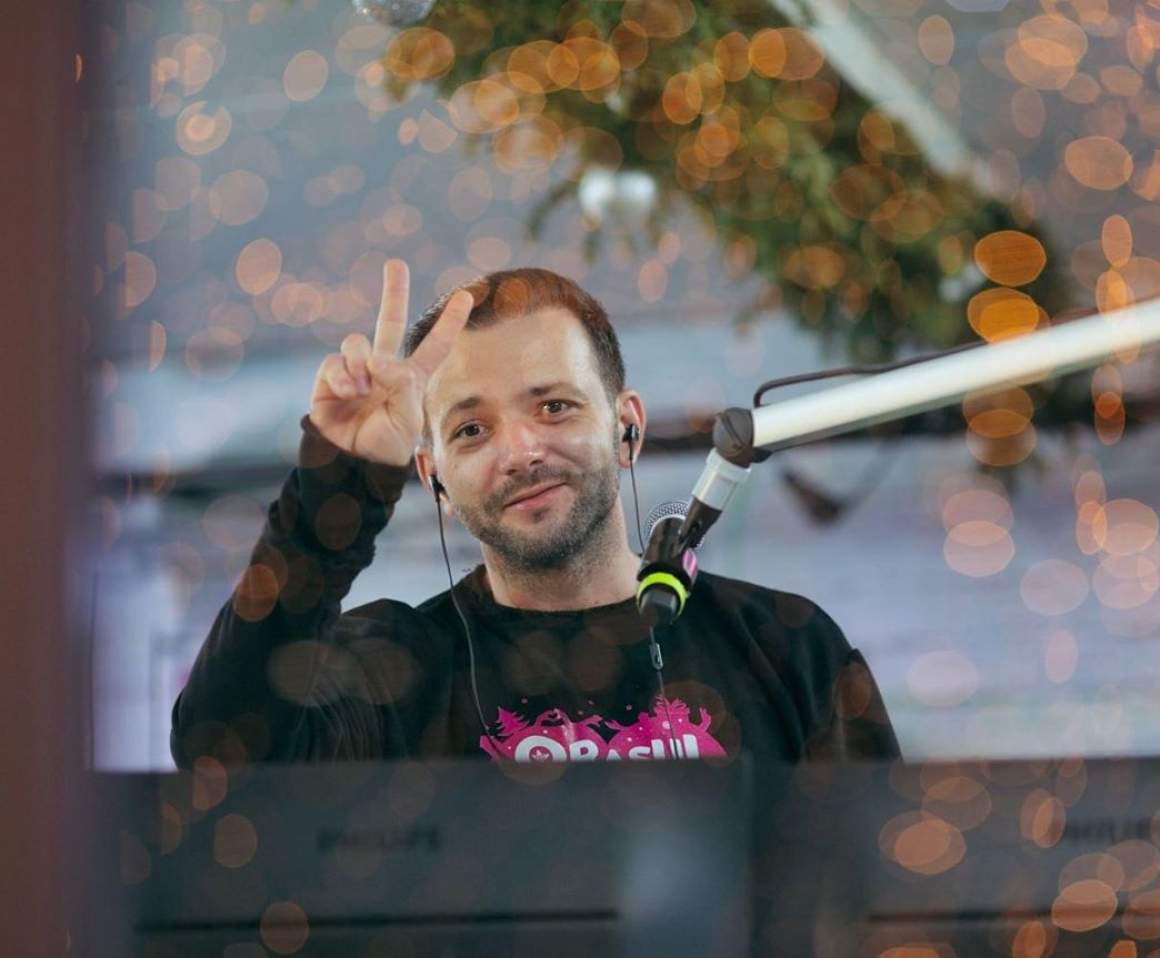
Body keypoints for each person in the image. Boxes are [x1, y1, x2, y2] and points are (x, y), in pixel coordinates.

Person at [171, 259, 900, 768]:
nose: (520, 451)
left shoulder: (784, 645)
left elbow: (881, 900)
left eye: (554, 407)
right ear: (433, 477)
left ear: (627, 427)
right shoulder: (394, 667)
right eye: (471, 430)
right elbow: (218, 749)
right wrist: (339, 484)